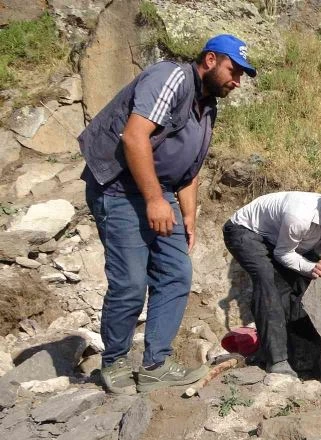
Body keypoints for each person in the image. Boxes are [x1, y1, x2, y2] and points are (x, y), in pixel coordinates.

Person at [79, 34, 257, 394]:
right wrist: (154, 201)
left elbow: (189, 169)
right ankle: (114, 362)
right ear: (210, 60)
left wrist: (188, 215)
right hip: (119, 189)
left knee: (176, 273)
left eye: (241, 74)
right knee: (131, 282)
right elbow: (134, 137)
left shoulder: (208, 107)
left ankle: (155, 365)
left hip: (158, 191)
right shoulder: (171, 77)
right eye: (233, 71)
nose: (237, 81)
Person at [222, 177, 321, 377]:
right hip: (246, 231)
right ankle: (277, 361)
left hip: (282, 241)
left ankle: (303, 359)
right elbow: (283, 254)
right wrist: (312, 267)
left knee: (307, 286)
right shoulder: (299, 216)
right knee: (266, 281)